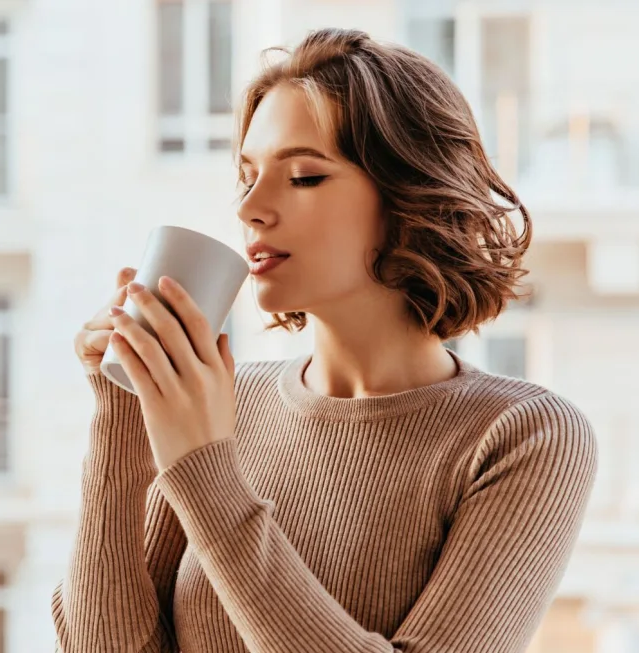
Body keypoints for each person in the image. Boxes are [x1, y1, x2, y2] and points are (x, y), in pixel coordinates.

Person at [52, 27, 597, 653]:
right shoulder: (227, 401)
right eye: (248, 176)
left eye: (304, 176)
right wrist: (122, 412)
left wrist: (204, 468)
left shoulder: (526, 435)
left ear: (408, 197)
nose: (250, 208)